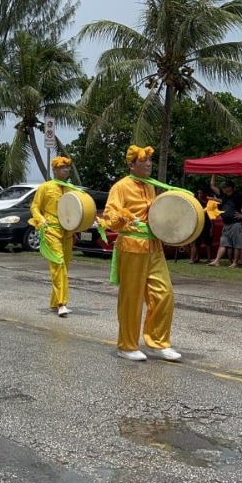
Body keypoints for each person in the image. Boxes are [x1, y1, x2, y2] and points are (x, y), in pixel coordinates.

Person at [102, 144, 181, 362]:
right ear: (131, 164)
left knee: (164, 294)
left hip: (154, 246)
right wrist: (122, 219)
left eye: (150, 161)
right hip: (132, 245)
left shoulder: (151, 186)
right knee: (132, 298)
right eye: (143, 161)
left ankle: (158, 342)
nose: (148, 164)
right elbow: (110, 216)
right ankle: (126, 345)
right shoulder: (120, 187)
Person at [29, 156, 77, 317]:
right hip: (51, 230)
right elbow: (35, 207)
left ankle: (53, 302)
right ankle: (62, 303)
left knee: (64, 267)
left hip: (68, 232)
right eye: (62, 167)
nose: (66, 170)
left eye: (67, 167)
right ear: (54, 170)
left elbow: (78, 209)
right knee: (58, 265)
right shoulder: (45, 187)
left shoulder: (71, 188)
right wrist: (41, 220)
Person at [208, 176, 242, 268]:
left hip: (236, 224)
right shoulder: (224, 196)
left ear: (230, 188)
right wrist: (214, 173)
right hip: (226, 224)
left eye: (225, 187)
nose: (223, 188)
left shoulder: (238, 196)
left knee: (237, 244)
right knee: (223, 242)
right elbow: (212, 186)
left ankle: (235, 262)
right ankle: (217, 260)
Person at [188, 188, 212, 264]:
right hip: (197, 224)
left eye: (201, 193)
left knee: (207, 242)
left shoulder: (207, 203)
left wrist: (211, 227)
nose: (200, 194)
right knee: (195, 242)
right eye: (198, 193)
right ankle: (195, 258)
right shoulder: (195, 203)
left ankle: (208, 258)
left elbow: (210, 216)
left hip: (206, 224)